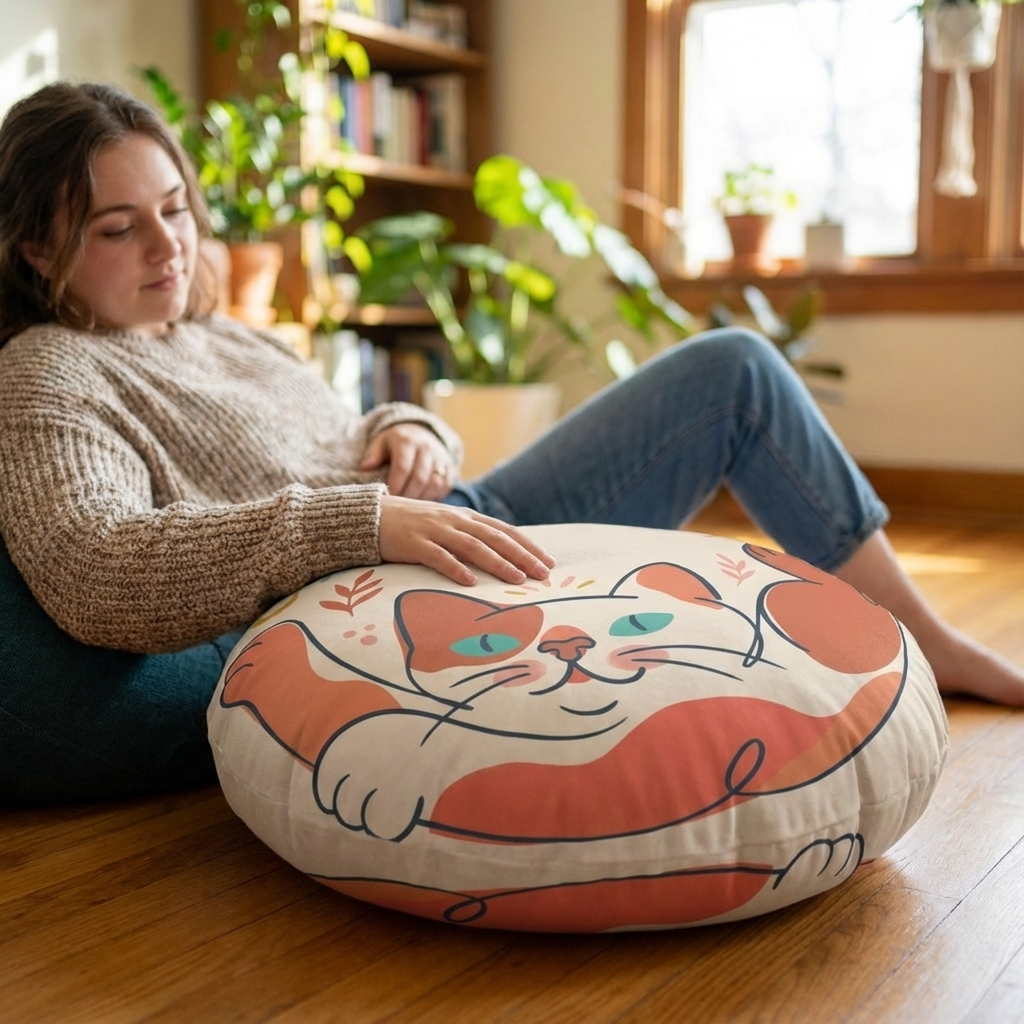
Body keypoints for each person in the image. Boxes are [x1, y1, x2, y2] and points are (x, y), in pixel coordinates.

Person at [0, 84, 1019, 803]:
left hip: (456, 524)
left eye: (175, 209)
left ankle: (924, 636)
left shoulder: (224, 334)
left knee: (735, 368)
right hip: (384, 605)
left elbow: (343, 433)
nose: (169, 245)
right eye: (118, 228)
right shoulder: (50, 370)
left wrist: (406, 430)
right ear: (38, 250)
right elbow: (93, 568)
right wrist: (362, 523)